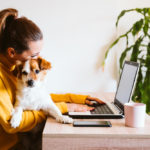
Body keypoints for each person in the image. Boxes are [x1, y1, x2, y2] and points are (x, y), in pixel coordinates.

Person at [0, 8, 104, 150]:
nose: (36, 60)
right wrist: (64, 108)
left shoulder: (13, 69)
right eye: (33, 55)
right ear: (12, 52)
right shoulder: (7, 75)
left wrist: (76, 99)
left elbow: (37, 98)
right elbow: (10, 124)